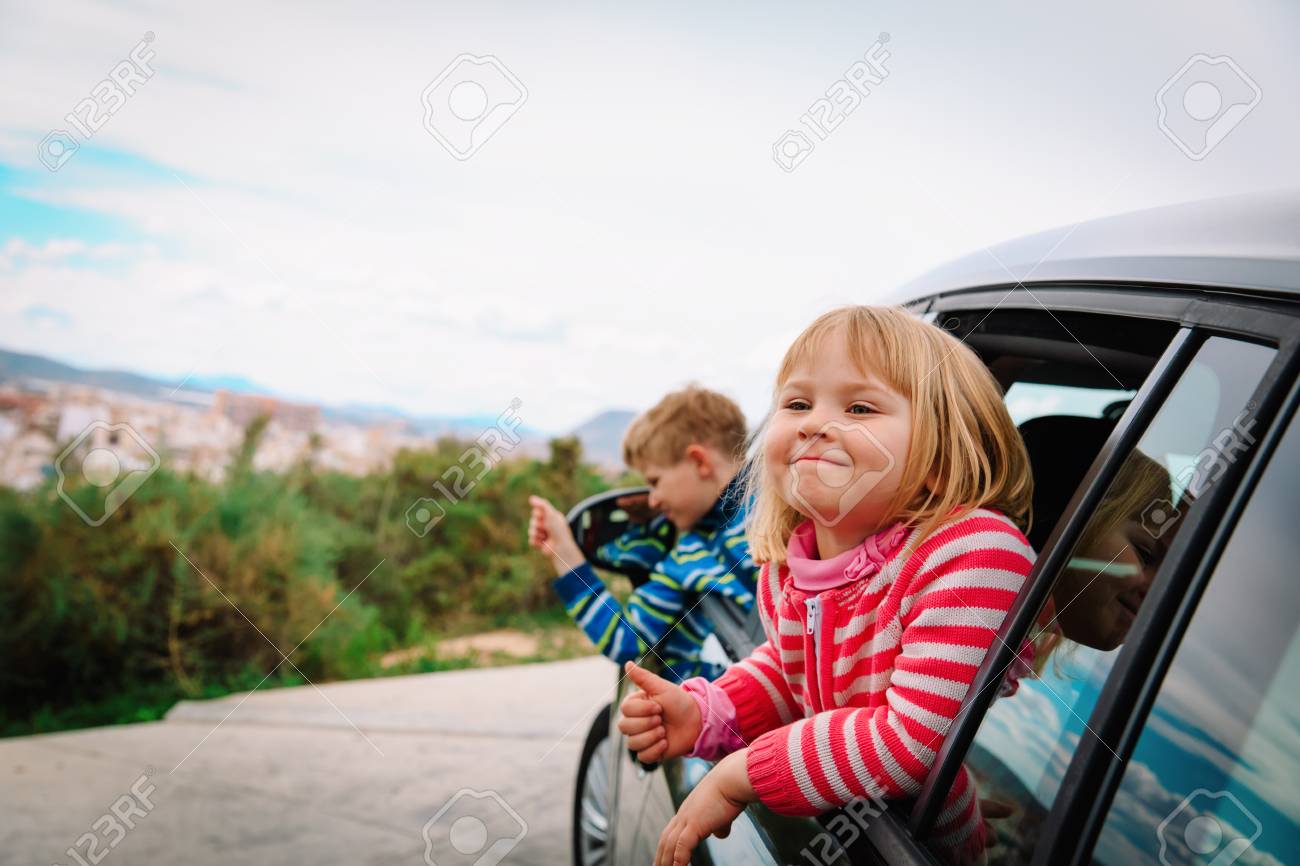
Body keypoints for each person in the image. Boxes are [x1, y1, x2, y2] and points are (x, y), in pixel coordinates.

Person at [616, 306, 1037, 865]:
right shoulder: (789, 570)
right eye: (796, 404)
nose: (813, 424)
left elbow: (909, 743)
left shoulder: (972, 553)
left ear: (941, 454)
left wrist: (742, 774)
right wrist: (709, 712)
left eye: (859, 408)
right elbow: (792, 669)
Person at [528, 385, 758, 682]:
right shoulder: (783, 511)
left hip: (728, 704)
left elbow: (626, 642)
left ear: (700, 462)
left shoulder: (690, 555)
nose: (652, 500)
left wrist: (565, 554)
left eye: (655, 481)